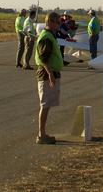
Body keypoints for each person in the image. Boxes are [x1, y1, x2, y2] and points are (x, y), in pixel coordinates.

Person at [35, 11, 65, 145]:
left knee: (47, 105)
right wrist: (51, 76)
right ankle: (41, 135)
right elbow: (43, 58)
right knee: (45, 105)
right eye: (58, 22)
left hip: (50, 74)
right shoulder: (47, 37)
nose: (59, 25)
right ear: (51, 22)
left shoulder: (50, 36)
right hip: (46, 75)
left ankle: (43, 133)